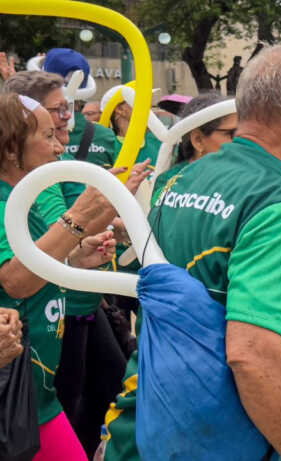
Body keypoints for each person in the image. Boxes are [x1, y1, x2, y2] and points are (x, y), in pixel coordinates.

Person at [105, 41, 281, 461]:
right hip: (219, 440)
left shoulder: (182, 180)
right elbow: (253, 357)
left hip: (149, 422)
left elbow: (205, 330)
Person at [2, 71, 143, 458]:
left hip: (38, 392)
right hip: (13, 390)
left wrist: (77, 256)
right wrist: (80, 217)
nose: (60, 147)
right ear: (13, 149)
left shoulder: (24, 199)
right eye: (47, 136)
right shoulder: (3, 203)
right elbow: (16, 280)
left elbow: (38, 261)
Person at [151, 92, 237, 203]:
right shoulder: (170, 182)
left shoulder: (243, 176)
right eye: (232, 133)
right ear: (198, 140)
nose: (241, 140)